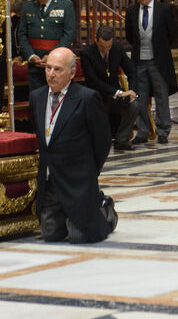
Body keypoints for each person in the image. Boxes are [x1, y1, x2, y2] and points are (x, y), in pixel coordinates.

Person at [30, 47, 117, 243]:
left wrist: (89, 171)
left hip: (77, 178)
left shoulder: (86, 98)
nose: (51, 74)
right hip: (51, 179)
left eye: (58, 69)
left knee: (81, 236)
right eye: (48, 68)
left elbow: (102, 140)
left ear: (72, 72)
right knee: (50, 234)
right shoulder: (37, 97)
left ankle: (105, 209)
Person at [125, 0, 178, 145]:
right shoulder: (132, 11)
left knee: (162, 96)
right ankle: (142, 131)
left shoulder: (164, 10)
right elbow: (130, 35)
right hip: (139, 61)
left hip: (158, 61)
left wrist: (160, 48)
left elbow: (173, 33)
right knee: (140, 97)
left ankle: (163, 130)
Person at [79, 24, 140, 152]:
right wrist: (119, 93)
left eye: (108, 47)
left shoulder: (117, 49)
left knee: (133, 106)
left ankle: (121, 140)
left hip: (115, 96)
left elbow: (132, 71)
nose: (106, 50)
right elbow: (94, 81)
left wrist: (131, 91)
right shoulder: (87, 54)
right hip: (97, 97)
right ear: (96, 40)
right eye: (102, 47)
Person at [17, 0, 77, 94]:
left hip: (59, 64)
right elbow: (22, 34)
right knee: (37, 100)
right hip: (35, 64)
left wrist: (51, 56)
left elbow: (69, 34)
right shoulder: (28, 7)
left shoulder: (65, 6)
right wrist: (31, 56)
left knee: (59, 98)